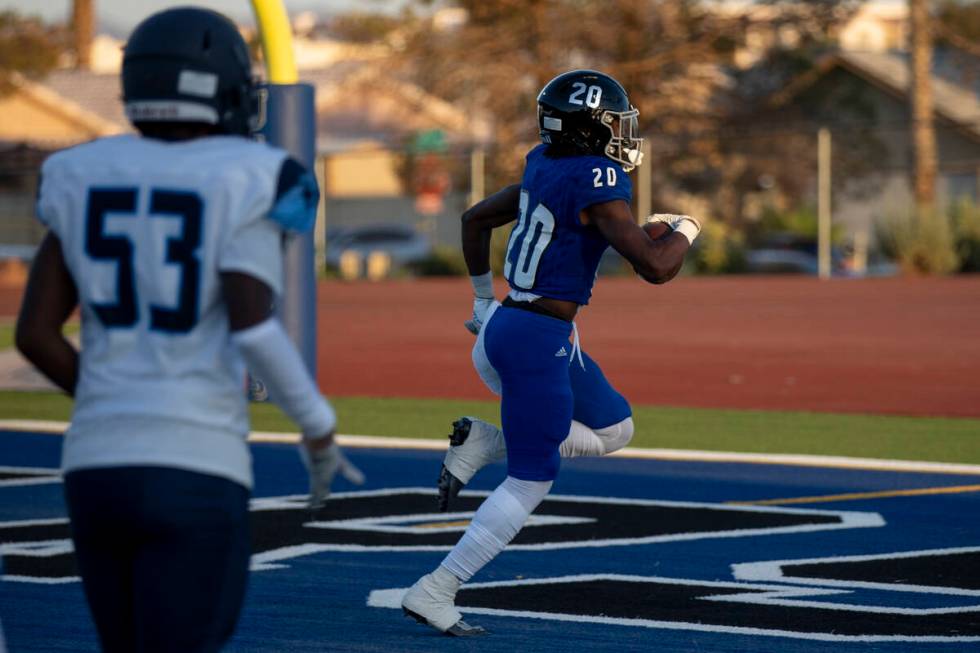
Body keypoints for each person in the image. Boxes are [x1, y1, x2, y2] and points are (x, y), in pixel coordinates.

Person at [15, 8, 361, 652]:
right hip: (196, 465)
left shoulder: (78, 170)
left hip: (96, 466)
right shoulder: (256, 172)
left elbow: (35, 334)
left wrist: (110, 402)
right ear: (223, 86)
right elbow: (252, 329)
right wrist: (317, 430)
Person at [401, 69, 701, 636]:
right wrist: (687, 228)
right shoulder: (598, 175)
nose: (621, 132)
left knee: (616, 429)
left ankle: (486, 440)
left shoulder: (544, 160)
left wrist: (483, 300)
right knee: (532, 479)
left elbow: (475, 220)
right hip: (534, 341)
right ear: (590, 129)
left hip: (517, 327)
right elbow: (658, 268)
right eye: (612, 122)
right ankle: (435, 589)